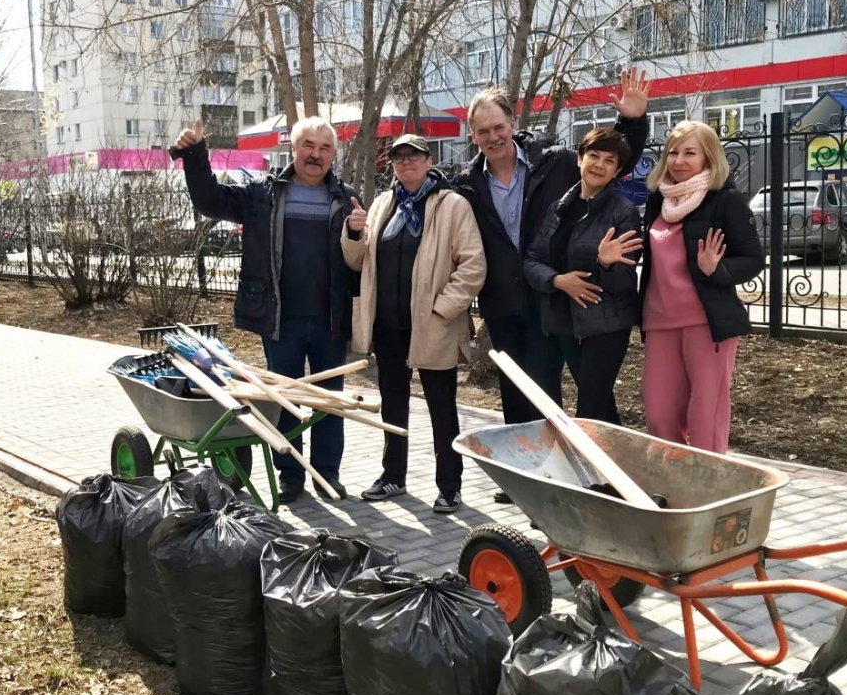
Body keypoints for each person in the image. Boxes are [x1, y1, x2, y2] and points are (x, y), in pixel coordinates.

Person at [455, 69, 649, 502]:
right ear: (473, 135)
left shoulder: (555, 161)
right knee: (515, 389)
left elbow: (607, 159)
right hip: (503, 300)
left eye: (498, 127)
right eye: (483, 131)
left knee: (554, 389)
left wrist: (633, 122)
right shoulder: (468, 183)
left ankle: (579, 475)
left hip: (552, 300)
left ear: (512, 123)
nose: (493, 137)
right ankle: (525, 477)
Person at [171, 115, 360, 502]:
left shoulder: (347, 199)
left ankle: (328, 474)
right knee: (283, 399)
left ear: (333, 155)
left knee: (330, 401)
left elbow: (359, 257)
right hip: (280, 319)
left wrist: (359, 230)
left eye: (325, 148)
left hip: (331, 318)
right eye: (309, 145)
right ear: (293, 148)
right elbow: (210, 201)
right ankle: (290, 476)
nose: (316, 155)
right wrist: (195, 154)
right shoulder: (263, 195)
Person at [342, 135, 486, 514]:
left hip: (434, 324)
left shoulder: (451, 205)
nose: (406, 162)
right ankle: (393, 475)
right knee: (393, 403)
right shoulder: (382, 205)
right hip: (388, 326)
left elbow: (473, 265)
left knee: (441, 407)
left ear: (428, 161)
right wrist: (354, 232)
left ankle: (449, 486)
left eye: (413, 156)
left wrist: (443, 308)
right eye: (398, 157)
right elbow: (359, 261)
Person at [640, 120, 764, 454]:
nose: (679, 161)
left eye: (689, 153)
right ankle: (675, 476)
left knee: (705, 417)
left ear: (708, 156)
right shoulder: (658, 200)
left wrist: (717, 269)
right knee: (659, 414)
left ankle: (708, 480)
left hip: (707, 323)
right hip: (659, 322)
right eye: (673, 153)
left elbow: (753, 259)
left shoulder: (725, 200)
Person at [524, 127, 644, 423]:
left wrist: (606, 263)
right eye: (594, 155)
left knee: (589, 412)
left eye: (609, 161)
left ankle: (593, 456)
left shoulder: (623, 213)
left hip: (605, 327)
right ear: (580, 159)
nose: (599, 165)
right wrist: (557, 280)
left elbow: (624, 283)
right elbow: (531, 260)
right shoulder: (558, 208)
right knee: (602, 411)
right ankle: (617, 454)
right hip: (566, 323)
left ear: (617, 171)